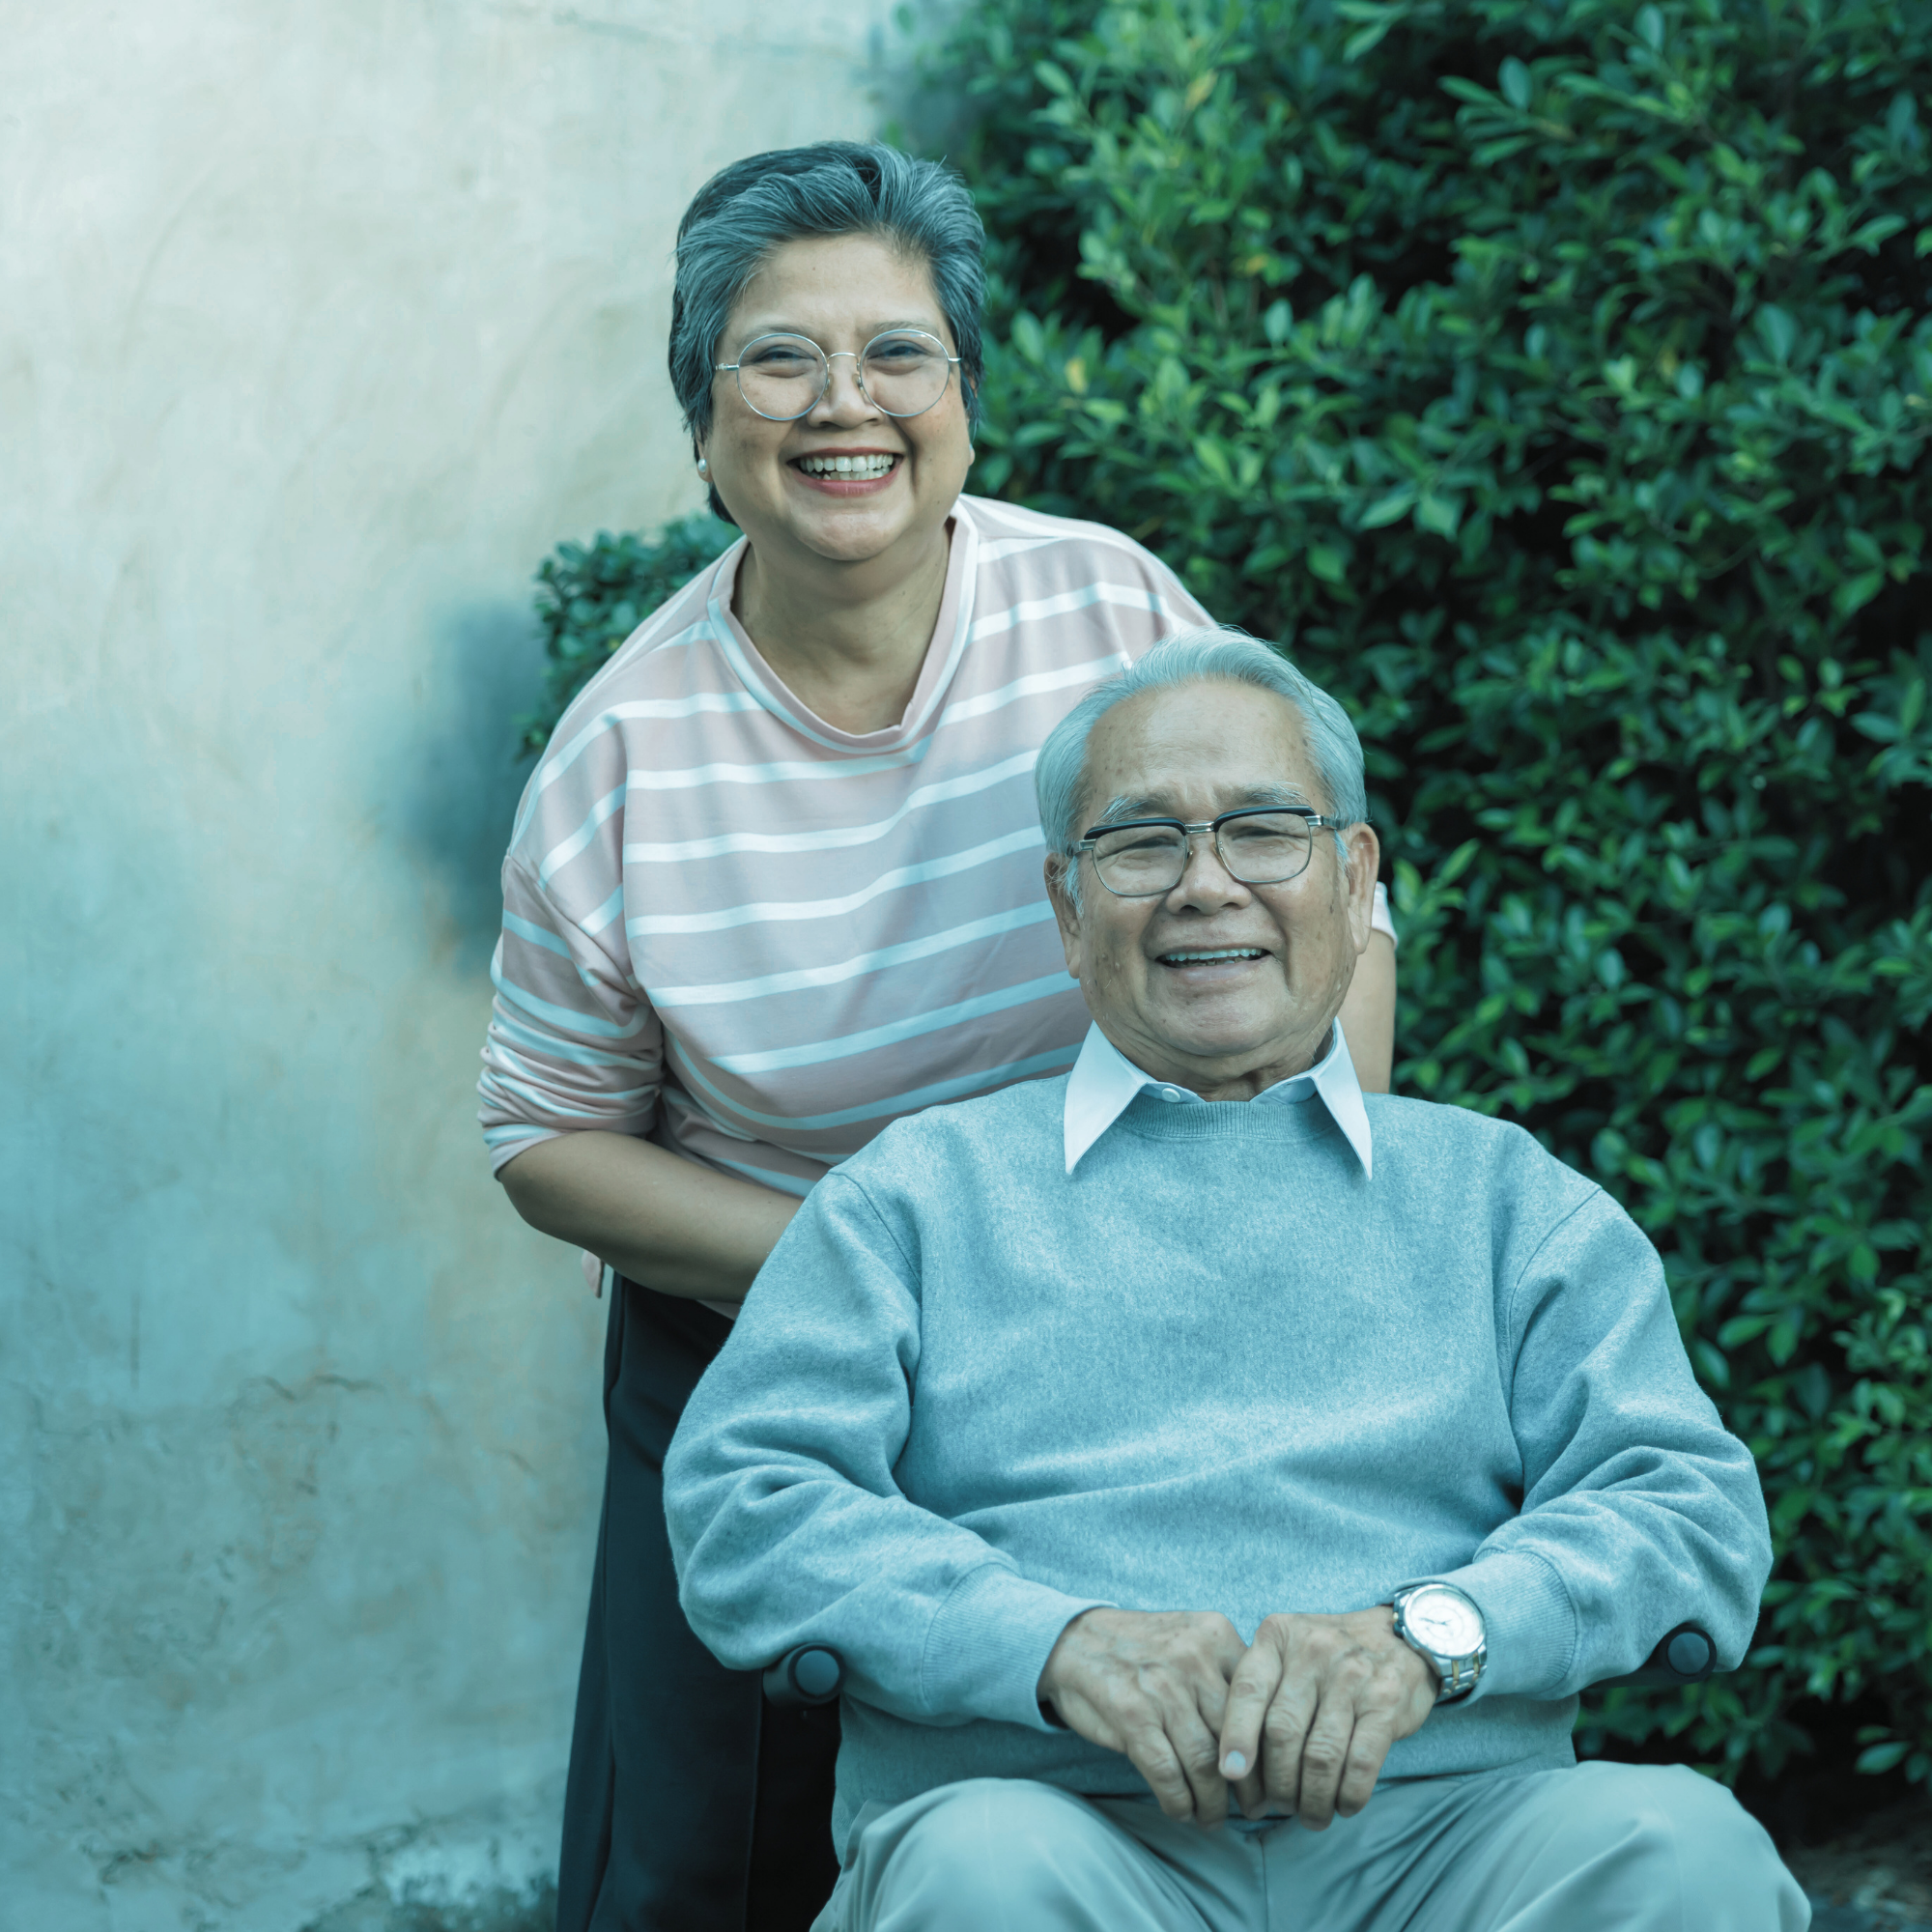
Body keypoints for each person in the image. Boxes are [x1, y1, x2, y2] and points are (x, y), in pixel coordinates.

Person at [478, 147, 1400, 1929]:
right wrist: (885, 1260)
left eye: (900, 353)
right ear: (703, 418)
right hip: (773, 1327)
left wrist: (1298, 1204)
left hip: (1135, 1286)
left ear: (965, 399)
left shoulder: (1110, 612)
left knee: (1136, 1794)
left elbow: (1327, 907)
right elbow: (548, 1137)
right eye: (779, 358)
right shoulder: (619, 759)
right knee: (704, 1869)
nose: (848, 406)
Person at [663, 630, 1806, 1931]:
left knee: (1683, 1847)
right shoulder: (913, 1199)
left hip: (1453, 1842)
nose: (1206, 888)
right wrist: (1049, 1642)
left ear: (1355, 875)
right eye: (1143, 844)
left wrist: (1436, 1635)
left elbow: (1689, 1511)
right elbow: (748, 1505)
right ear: (1066, 906)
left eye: (1264, 831)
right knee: (974, 1874)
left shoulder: (1506, 1200)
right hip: (1052, 1829)